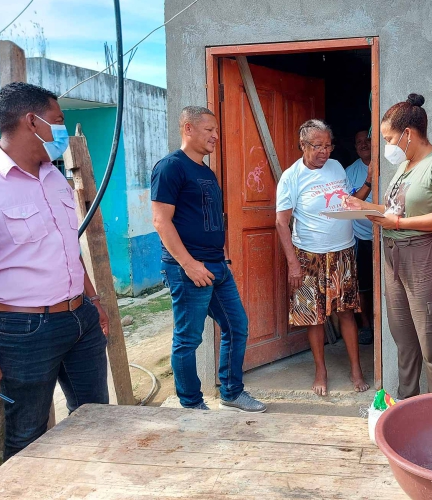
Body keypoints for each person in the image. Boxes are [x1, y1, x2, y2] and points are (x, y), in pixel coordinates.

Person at [0, 82, 109, 459]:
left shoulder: (54, 177)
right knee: (27, 436)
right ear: (32, 121)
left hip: (80, 320)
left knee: (97, 419)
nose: (62, 130)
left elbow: (68, 248)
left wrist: (93, 299)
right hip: (22, 330)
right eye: (58, 120)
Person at [343, 94, 432, 398]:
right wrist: (364, 206)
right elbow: (396, 209)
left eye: (388, 138)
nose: (387, 146)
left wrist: (395, 223)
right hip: (394, 256)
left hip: (426, 255)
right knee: (404, 341)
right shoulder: (405, 166)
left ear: (408, 133)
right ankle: (406, 407)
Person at [151, 106, 266, 413]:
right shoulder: (170, 167)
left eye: (216, 130)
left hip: (216, 266)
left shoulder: (206, 171)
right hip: (189, 269)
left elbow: (212, 217)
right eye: (209, 130)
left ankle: (232, 392)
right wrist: (189, 265)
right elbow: (161, 221)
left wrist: (223, 255)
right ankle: (192, 405)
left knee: (237, 326)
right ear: (188, 129)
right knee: (188, 339)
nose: (216, 135)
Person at [275, 119, 369, 396]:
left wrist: (368, 182)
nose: (324, 151)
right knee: (313, 317)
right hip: (308, 256)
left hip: (343, 253)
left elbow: (349, 205)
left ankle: (356, 369)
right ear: (303, 145)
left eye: (328, 145)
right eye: (318, 146)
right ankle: (321, 371)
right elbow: (281, 222)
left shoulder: (337, 167)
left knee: (346, 312)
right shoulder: (292, 176)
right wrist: (293, 264)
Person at [344, 128, 374, 344]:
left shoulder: (386, 165)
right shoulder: (350, 171)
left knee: (384, 283)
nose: (364, 144)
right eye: (359, 142)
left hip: (385, 235)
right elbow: (347, 205)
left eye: (367, 140)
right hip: (360, 236)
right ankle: (366, 325)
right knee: (362, 284)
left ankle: (381, 324)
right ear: (355, 147)